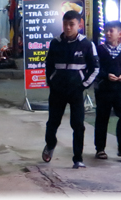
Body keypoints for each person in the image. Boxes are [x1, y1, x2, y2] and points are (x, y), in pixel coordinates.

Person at [42, 10, 99, 169]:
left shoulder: (87, 44)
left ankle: (78, 158)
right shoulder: (55, 43)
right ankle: (50, 145)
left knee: (78, 125)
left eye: (71, 24)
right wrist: (52, 82)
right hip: (57, 91)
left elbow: (95, 68)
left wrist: (83, 85)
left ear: (79, 25)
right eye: (65, 24)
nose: (67, 28)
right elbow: (48, 65)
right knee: (53, 123)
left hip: (76, 92)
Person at [94, 20, 121, 160]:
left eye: (112, 31)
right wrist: (106, 75)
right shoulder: (100, 50)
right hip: (103, 89)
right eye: (107, 31)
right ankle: (100, 149)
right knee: (102, 118)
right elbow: (96, 68)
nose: (108, 33)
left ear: (120, 33)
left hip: (118, 90)